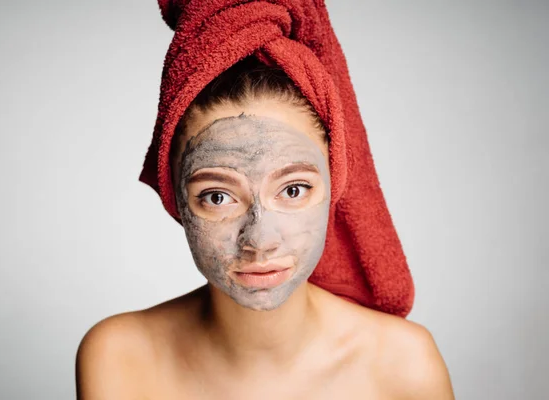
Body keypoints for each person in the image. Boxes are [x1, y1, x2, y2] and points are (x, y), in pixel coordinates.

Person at [75, 57, 455, 399]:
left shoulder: (404, 363)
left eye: (293, 189)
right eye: (217, 196)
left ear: (334, 185)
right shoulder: (119, 356)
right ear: (174, 198)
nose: (259, 241)